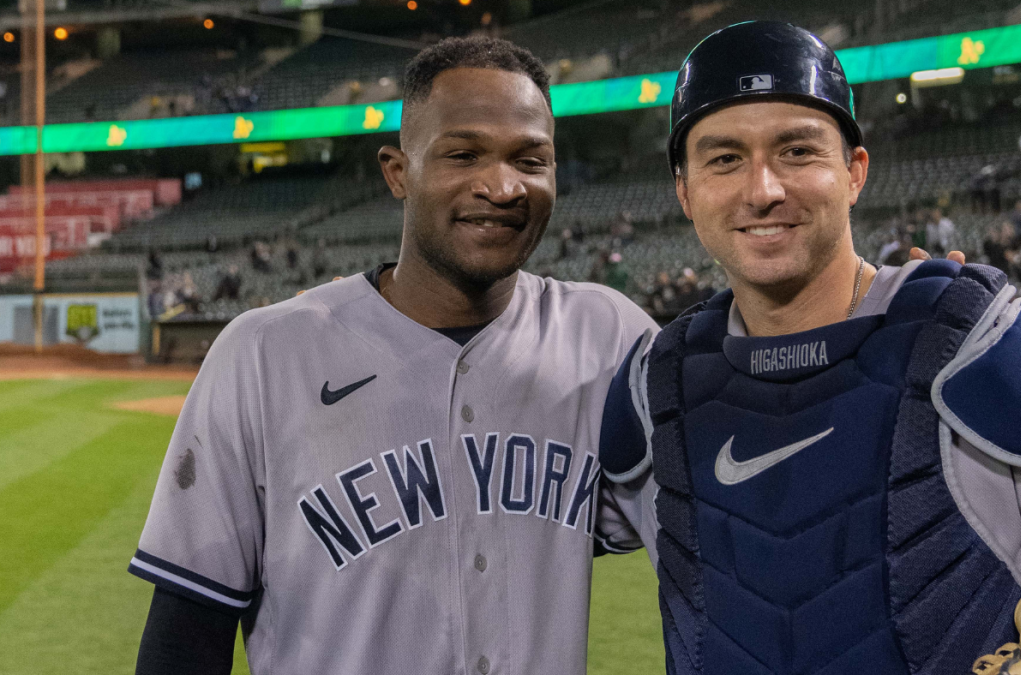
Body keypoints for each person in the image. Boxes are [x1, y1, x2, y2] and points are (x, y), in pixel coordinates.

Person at [597, 21, 1021, 675]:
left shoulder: (984, 349)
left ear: (855, 172)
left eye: (798, 151)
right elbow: (503, 541)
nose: (763, 189)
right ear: (684, 190)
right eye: (723, 158)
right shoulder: (654, 389)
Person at [128, 36, 658, 675]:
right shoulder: (264, 353)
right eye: (463, 154)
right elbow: (186, 635)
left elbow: (713, 552)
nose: (502, 185)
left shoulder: (608, 336)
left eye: (531, 159)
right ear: (398, 171)